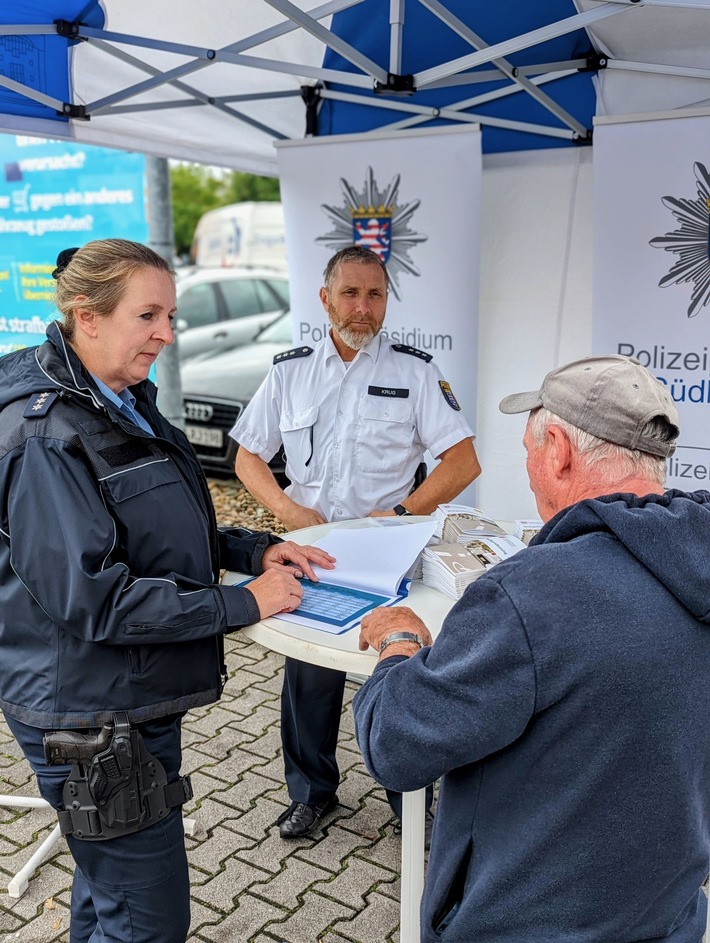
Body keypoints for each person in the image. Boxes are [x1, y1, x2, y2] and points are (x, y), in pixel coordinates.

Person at [0, 239, 334, 943]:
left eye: (170, 314)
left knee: (107, 884)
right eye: (148, 314)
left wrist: (252, 548)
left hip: (126, 699)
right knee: (149, 920)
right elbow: (97, 598)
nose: (167, 333)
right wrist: (246, 602)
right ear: (87, 317)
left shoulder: (117, 397)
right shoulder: (46, 433)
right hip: (90, 715)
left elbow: (152, 526)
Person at [353, 355, 710, 943]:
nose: (528, 471)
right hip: (667, 914)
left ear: (559, 450)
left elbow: (396, 745)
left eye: (527, 452)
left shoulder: (528, 595)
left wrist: (400, 643)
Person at [231, 245, 481, 838]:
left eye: (375, 295)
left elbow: (462, 462)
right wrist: (289, 511)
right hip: (313, 552)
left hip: (389, 554)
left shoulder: (414, 372)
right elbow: (248, 457)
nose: (363, 308)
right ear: (325, 298)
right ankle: (313, 793)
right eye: (351, 293)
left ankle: (407, 804)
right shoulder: (290, 371)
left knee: (392, 673)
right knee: (309, 677)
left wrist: (399, 511)